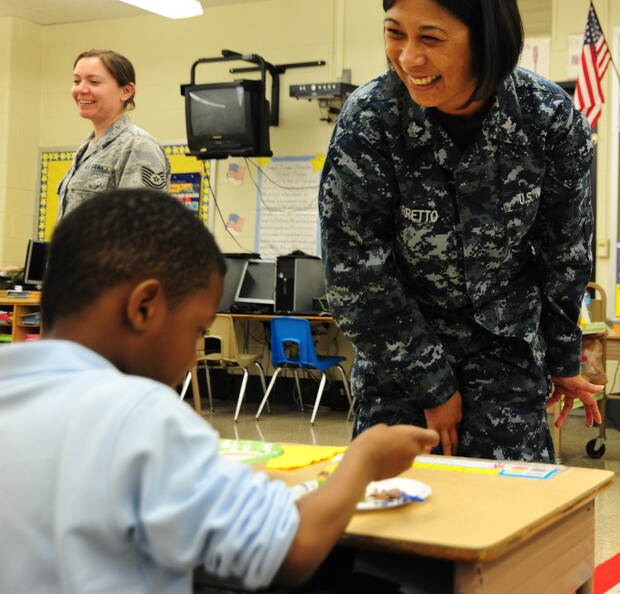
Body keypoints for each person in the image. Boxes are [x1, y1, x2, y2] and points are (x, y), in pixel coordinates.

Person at [0, 189, 438, 593]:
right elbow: (290, 551)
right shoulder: (137, 414)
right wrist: (362, 459)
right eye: (197, 330)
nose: (193, 355)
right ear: (144, 307)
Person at [319, 0, 601, 464]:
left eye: (431, 37)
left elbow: (566, 250)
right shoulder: (371, 118)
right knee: (396, 526)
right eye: (394, 33)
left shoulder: (549, 119)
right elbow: (355, 270)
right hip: (398, 361)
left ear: (487, 37)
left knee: (511, 525)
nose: (409, 57)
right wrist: (432, 384)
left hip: (507, 361)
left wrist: (563, 355)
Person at [56, 49, 171, 219]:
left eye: (94, 82)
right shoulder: (88, 149)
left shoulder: (137, 145)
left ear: (126, 91)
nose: (81, 89)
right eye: (76, 81)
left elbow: (141, 227)